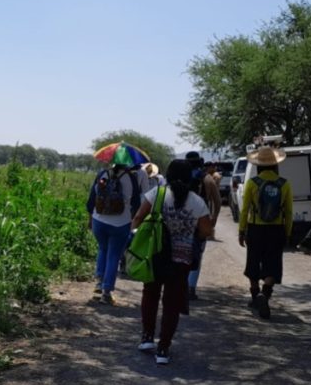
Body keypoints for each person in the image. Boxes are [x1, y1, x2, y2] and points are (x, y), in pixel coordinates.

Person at [131, 159, 213, 365]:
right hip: (182, 259)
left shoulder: (156, 194)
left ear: (167, 175)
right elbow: (206, 231)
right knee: (172, 303)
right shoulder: (197, 201)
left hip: (156, 253)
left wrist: (138, 236)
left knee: (150, 294)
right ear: (189, 177)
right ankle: (163, 349)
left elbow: (138, 218)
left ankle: (147, 337)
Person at [237, 146, 293, 320]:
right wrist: (287, 232)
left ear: (258, 165)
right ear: (276, 165)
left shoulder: (252, 183)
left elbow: (245, 209)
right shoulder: (284, 184)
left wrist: (241, 230)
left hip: (255, 228)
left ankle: (255, 296)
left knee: (253, 260)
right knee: (273, 262)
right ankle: (265, 294)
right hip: (276, 229)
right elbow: (289, 212)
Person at [85, 162, 141, 305]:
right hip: (121, 223)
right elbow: (136, 203)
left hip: (99, 220)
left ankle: (98, 284)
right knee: (114, 255)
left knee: (102, 249)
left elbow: (91, 200)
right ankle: (106, 293)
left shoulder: (103, 174)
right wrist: (132, 218)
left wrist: (90, 219)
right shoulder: (130, 177)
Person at [185, 152, 221, 301]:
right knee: (197, 253)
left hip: (183, 220)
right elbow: (217, 202)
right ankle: (191, 288)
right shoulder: (207, 179)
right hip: (201, 220)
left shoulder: (181, 178)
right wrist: (212, 221)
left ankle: (179, 285)